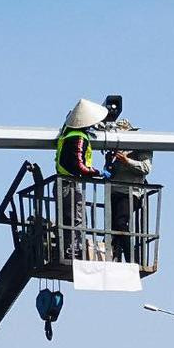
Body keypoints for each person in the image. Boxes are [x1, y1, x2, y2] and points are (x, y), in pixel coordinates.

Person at [55, 99, 109, 259]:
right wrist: (98, 172)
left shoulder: (67, 135)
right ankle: (75, 251)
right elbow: (78, 165)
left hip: (63, 182)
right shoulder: (78, 138)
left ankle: (69, 250)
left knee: (67, 219)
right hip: (70, 183)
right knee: (76, 219)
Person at [103, 118, 153, 263]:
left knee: (120, 224)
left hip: (130, 193)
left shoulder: (140, 146)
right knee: (113, 228)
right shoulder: (116, 147)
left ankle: (132, 259)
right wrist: (109, 162)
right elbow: (111, 171)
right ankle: (115, 258)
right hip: (114, 192)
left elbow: (146, 168)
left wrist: (127, 161)